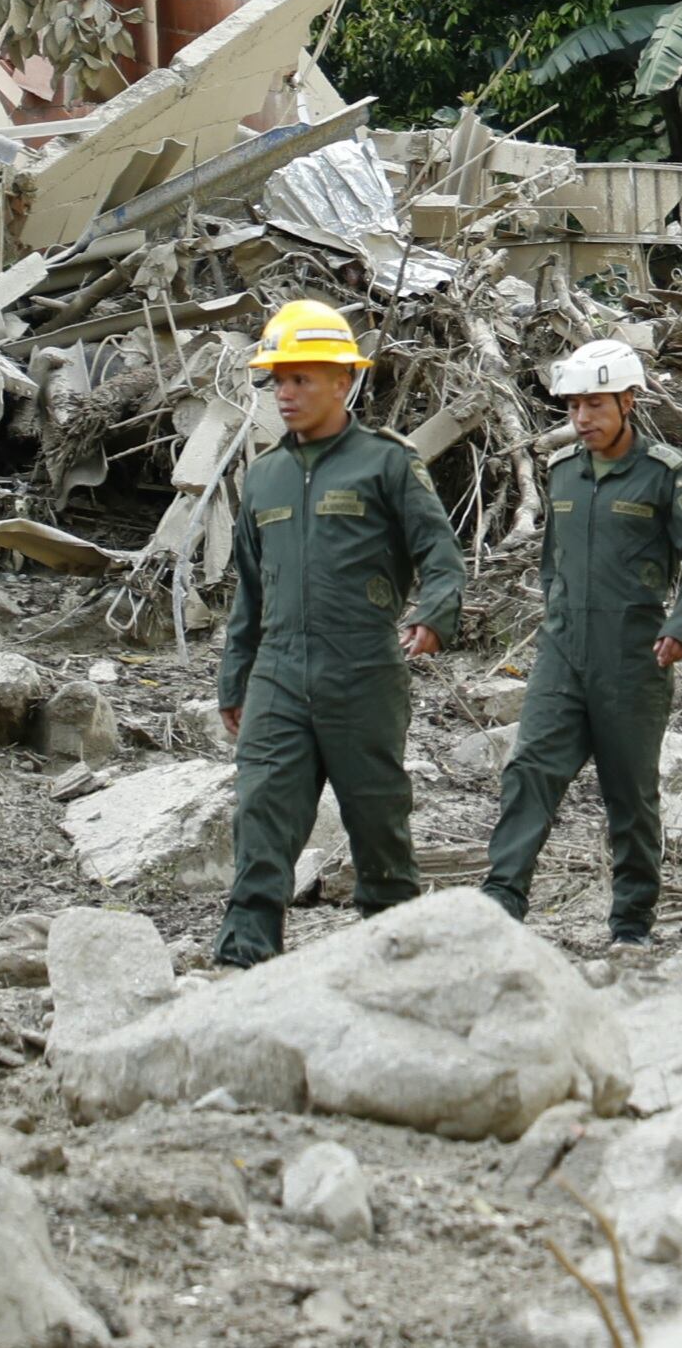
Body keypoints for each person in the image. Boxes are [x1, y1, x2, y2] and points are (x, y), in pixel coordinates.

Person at [213, 299, 466, 968]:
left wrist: (434, 614)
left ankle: (398, 961)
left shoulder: (387, 463)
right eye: (277, 380)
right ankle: (247, 965)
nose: (285, 394)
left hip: (363, 675)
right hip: (277, 675)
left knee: (378, 823)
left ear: (343, 381)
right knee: (261, 818)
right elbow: (251, 590)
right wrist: (234, 679)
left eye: (301, 379)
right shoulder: (264, 475)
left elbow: (440, 555)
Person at [480, 340, 682, 948]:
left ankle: (631, 925)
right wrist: (556, 611)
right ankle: (501, 907)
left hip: (633, 659)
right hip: (562, 655)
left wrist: (681, 627)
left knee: (629, 796)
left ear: (628, 401)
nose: (582, 418)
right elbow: (551, 561)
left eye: (595, 404)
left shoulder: (666, 472)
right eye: (574, 406)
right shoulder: (563, 474)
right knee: (529, 771)